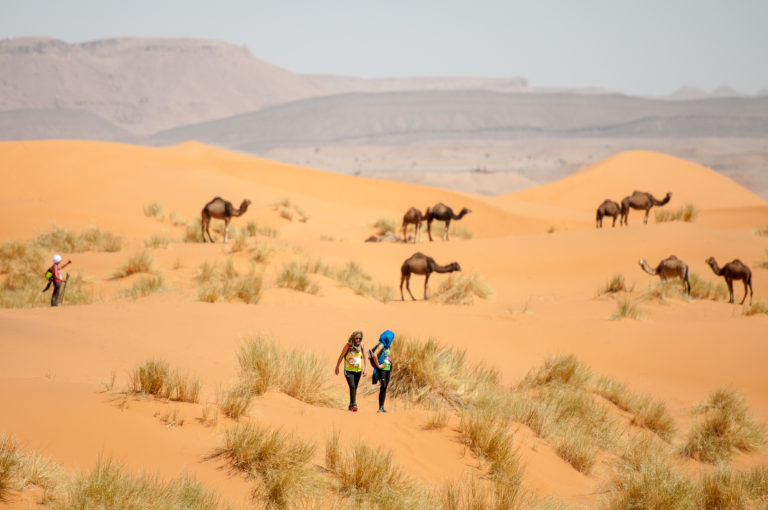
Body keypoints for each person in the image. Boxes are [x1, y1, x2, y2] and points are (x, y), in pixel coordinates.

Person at [334, 330, 367, 411]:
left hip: (358, 370)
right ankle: (354, 404)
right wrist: (337, 367)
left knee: (354, 388)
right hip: (348, 370)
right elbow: (341, 356)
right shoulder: (348, 345)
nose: (358, 340)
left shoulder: (362, 345)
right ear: (353, 338)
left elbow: (365, 357)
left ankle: (350, 405)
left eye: (360, 338)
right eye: (356, 338)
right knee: (352, 386)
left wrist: (365, 368)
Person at [370, 330, 394, 413]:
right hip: (382, 370)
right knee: (383, 386)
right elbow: (374, 355)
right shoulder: (381, 345)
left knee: (385, 388)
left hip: (387, 369)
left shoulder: (387, 346)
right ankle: (380, 408)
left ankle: (382, 408)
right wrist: (378, 366)